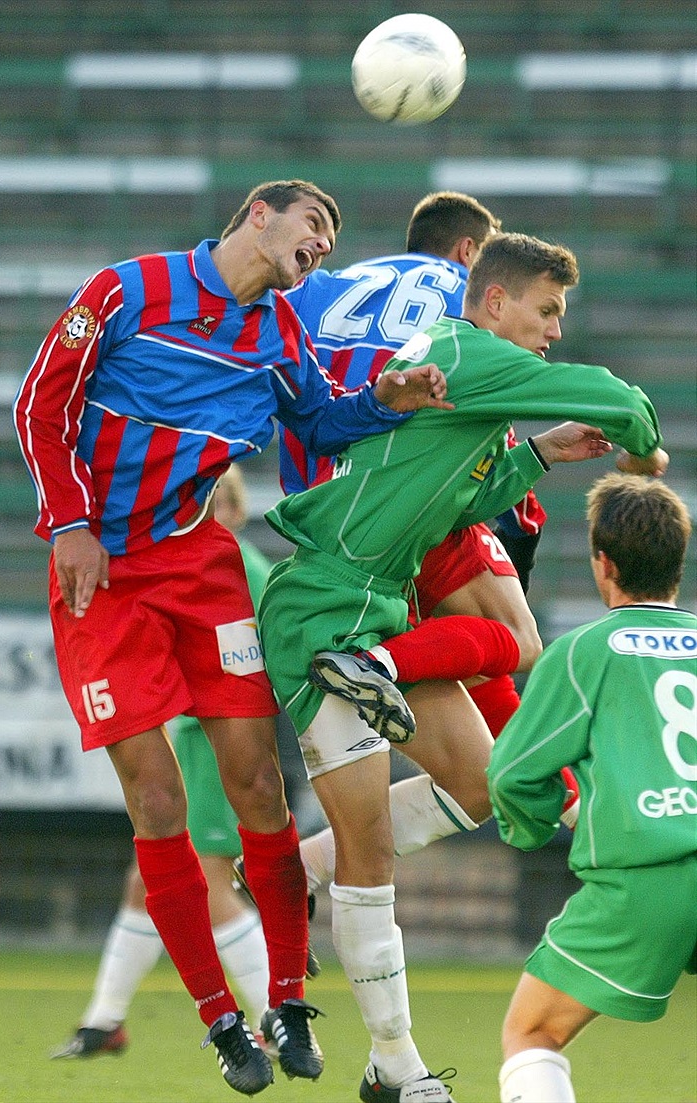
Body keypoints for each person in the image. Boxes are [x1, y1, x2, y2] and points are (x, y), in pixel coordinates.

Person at [12, 179, 450, 1097]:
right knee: (159, 803)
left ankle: (285, 1000)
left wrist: (391, 397)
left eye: (333, 235)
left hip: (197, 562)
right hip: (101, 573)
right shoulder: (129, 290)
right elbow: (40, 408)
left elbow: (322, 419)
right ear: (260, 215)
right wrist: (69, 523)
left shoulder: (282, 331)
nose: (323, 244)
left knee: (256, 779)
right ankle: (220, 1017)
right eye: (315, 223)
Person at [256, 231, 668, 1101]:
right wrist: (644, 449)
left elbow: (458, 492)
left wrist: (544, 453)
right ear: (493, 301)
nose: (555, 329)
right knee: (372, 851)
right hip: (322, 609)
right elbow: (613, 394)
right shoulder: (464, 350)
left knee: (485, 783)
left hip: (377, 602)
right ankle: (395, 1065)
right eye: (547, 309)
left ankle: (297, 868)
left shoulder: (466, 372)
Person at [284, 192, 577, 832]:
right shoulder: (470, 300)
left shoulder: (320, 288)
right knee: (513, 639)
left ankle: (301, 865)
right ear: (473, 256)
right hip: (422, 504)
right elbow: (491, 433)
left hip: (328, 522)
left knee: (473, 757)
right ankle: (564, 796)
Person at [51, 468, 276, 1060]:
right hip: (197, 741)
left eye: (222, 501)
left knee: (206, 881)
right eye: (205, 499)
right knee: (148, 881)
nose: (212, 510)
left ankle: (278, 1019)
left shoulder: (241, 569)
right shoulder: (187, 566)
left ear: (237, 510)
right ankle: (104, 1021)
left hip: (220, 747)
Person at [488, 473, 696, 1103]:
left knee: (531, 1034)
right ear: (678, 562)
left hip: (648, 881)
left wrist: (544, 821)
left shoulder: (586, 651)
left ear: (602, 563)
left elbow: (512, 773)